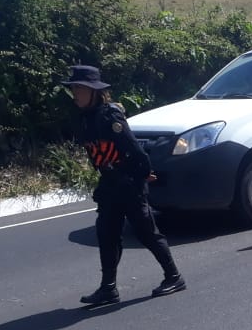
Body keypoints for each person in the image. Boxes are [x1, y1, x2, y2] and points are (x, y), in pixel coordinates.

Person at [61, 65, 185, 306]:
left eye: (79, 88)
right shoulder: (85, 118)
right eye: (73, 88)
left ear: (93, 91)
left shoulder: (110, 116)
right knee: (106, 234)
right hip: (109, 185)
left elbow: (135, 151)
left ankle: (174, 276)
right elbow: (96, 154)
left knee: (147, 232)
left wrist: (141, 177)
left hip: (128, 184)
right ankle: (108, 289)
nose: (74, 93)